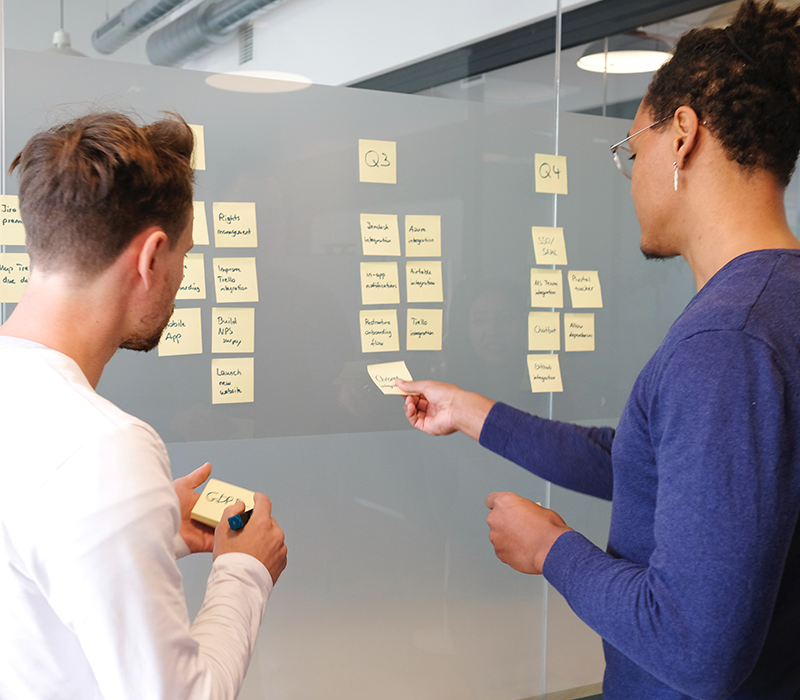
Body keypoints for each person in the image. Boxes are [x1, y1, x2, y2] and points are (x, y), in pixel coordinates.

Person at [396, 2, 800, 698]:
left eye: (631, 149)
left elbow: (695, 646)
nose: (631, 174)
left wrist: (551, 550)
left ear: (682, 137)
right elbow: (650, 466)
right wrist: (470, 410)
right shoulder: (773, 305)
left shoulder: (729, 341)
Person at [0, 112, 287, 699]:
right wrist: (245, 570)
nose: (181, 274)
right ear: (151, 256)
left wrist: (153, 522)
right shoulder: (104, 447)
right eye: (185, 253)